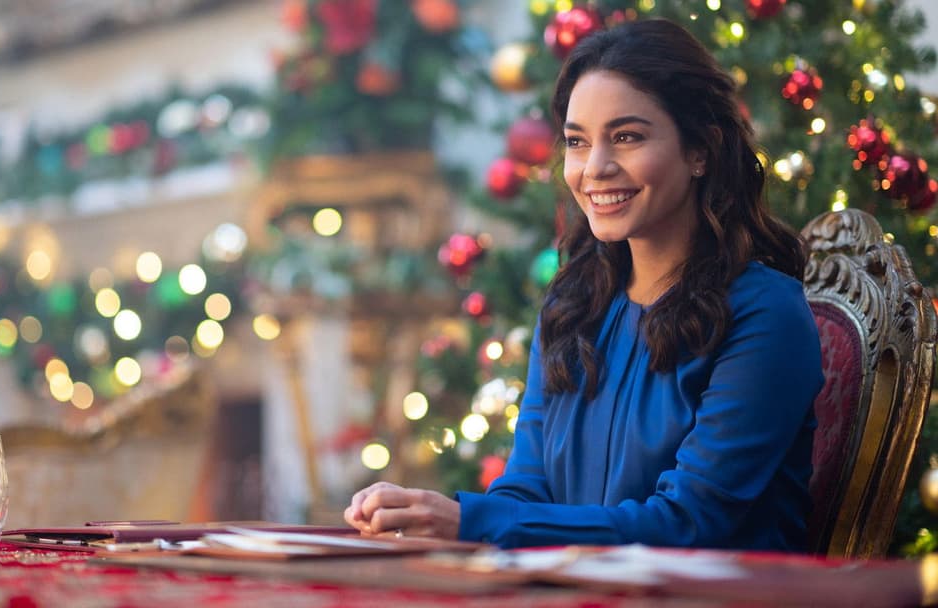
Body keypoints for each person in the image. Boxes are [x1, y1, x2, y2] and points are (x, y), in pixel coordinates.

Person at [344, 18, 823, 552]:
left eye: (626, 137)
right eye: (577, 141)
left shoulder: (766, 313)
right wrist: (433, 515)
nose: (595, 168)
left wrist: (469, 521)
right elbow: (526, 493)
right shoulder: (574, 304)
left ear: (700, 151)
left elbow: (689, 524)